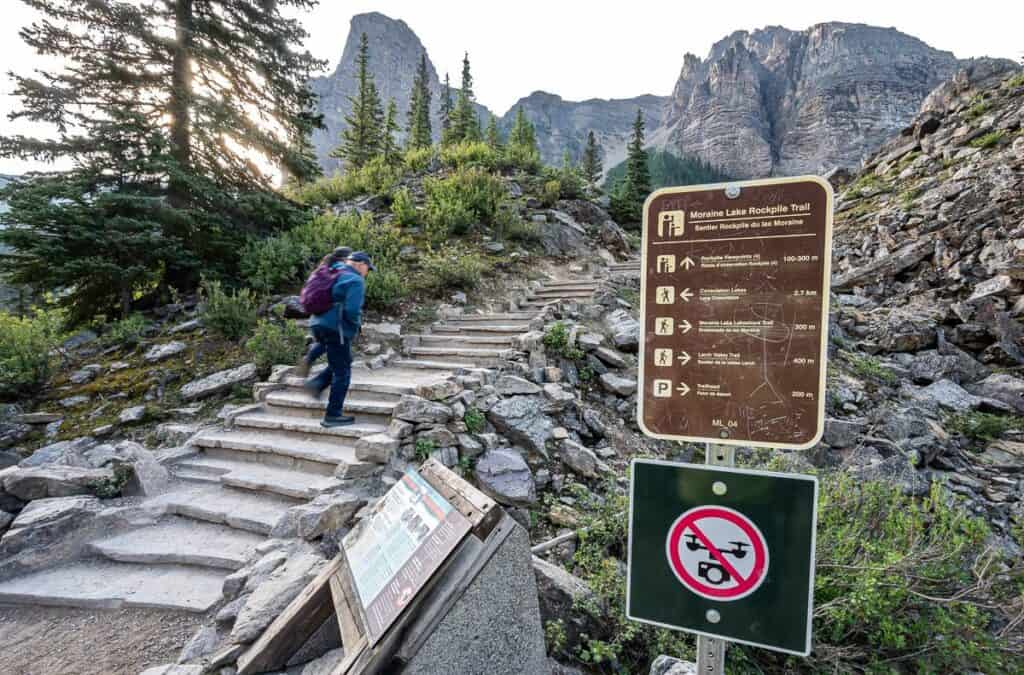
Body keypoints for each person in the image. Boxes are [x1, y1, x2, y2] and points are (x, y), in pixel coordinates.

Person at [304, 251, 375, 427]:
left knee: (344, 360)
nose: (367, 272)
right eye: (368, 268)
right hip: (337, 328)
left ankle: (317, 383)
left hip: (318, 323)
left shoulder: (332, 271)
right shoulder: (355, 279)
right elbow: (352, 310)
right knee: (342, 372)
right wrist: (356, 326)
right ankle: (332, 415)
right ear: (360, 264)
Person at [295, 246, 351, 378]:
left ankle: (308, 359)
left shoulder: (322, 269)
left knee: (325, 343)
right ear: (344, 259)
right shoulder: (342, 270)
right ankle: (318, 385)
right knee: (340, 355)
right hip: (332, 317)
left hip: (316, 317)